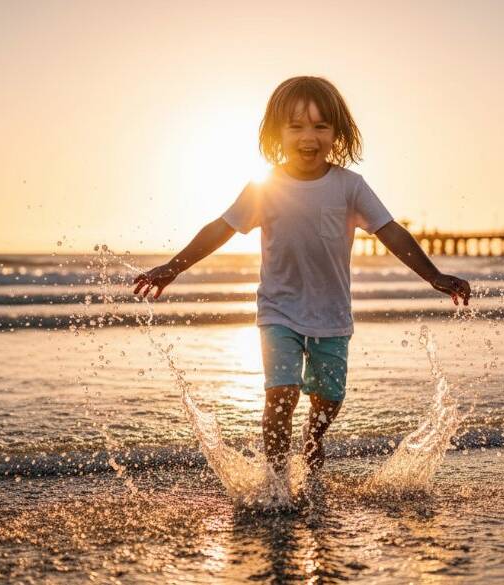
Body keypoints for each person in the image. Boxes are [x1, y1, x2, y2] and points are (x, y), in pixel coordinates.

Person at [133, 76, 470, 473]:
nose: (308, 137)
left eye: (320, 126)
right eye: (295, 126)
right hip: (279, 312)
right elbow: (221, 227)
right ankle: (276, 482)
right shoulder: (265, 187)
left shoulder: (350, 187)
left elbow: (390, 231)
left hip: (331, 315)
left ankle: (314, 436)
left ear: (337, 132)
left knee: (329, 399)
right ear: (277, 132)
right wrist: (172, 268)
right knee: (281, 395)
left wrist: (433, 275)